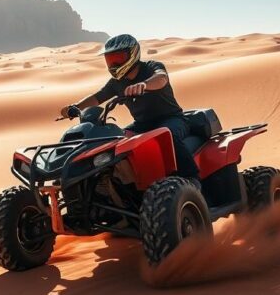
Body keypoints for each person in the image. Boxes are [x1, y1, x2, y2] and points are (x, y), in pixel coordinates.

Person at [60, 34, 200, 183]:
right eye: (110, 60)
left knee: (167, 135)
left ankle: (192, 178)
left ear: (132, 54)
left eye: (118, 58)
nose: (113, 64)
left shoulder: (152, 67)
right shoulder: (117, 82)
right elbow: (97, 97)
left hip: (172, 119)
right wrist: (75, 107)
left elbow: (161, 78)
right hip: (142, 125)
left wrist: (144, 85)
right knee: (114, 142)